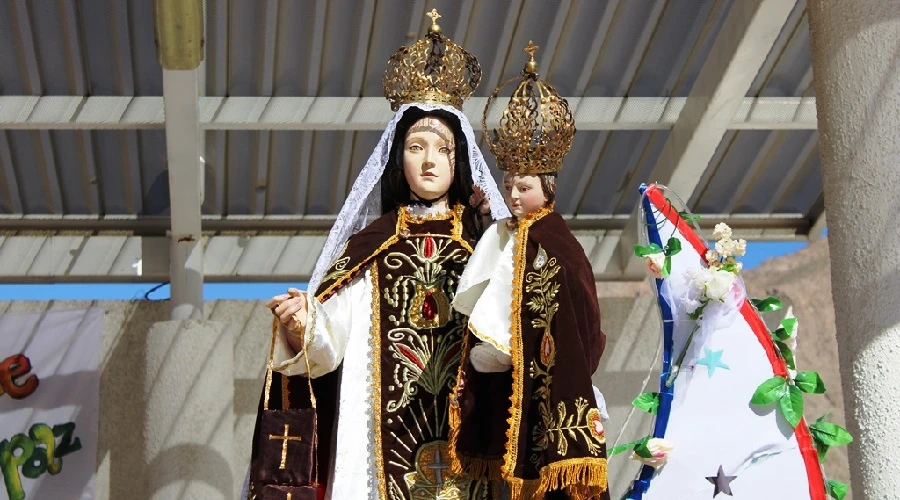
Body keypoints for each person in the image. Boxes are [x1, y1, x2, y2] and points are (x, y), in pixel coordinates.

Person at [246, 10, 510, 500]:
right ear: (397, 159)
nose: (429, 161)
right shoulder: (373, 246)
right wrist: (305, 324)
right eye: (416, 147)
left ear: (460, 159)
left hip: (468, 440)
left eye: (442, 149)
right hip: (377, 452)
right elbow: (331, 341)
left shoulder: (484, 247)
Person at [448, 43, 610, 499]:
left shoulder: (557, 243)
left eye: (524, 186)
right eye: (509, 186)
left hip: (548, 380)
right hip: (507, 382)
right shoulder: (504, 235)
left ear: (548, 188)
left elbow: (578, 312)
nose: (514, 196)